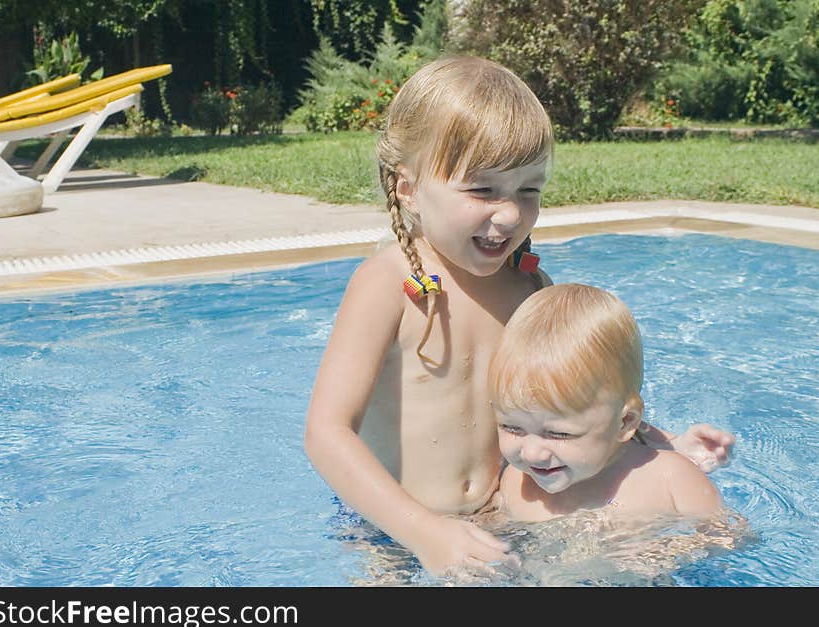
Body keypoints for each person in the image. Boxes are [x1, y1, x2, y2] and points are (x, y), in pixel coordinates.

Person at [304, 55, 734, 577]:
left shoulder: (528, 285)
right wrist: (421, 531)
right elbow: (327, 433)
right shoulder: (387, 285)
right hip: (393, 530)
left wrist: (657, 443)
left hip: (504, 520)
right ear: (408, 188)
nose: (509, 214)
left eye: (528, 190)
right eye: (482, 189)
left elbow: (575, 397)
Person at [490, 283, 724, 522]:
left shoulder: (671, 480)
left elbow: (729, 540)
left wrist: (673, 548)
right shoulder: (515, 484)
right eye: (511, 427)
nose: (531, 453)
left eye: (558, 434)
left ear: (624, 422)